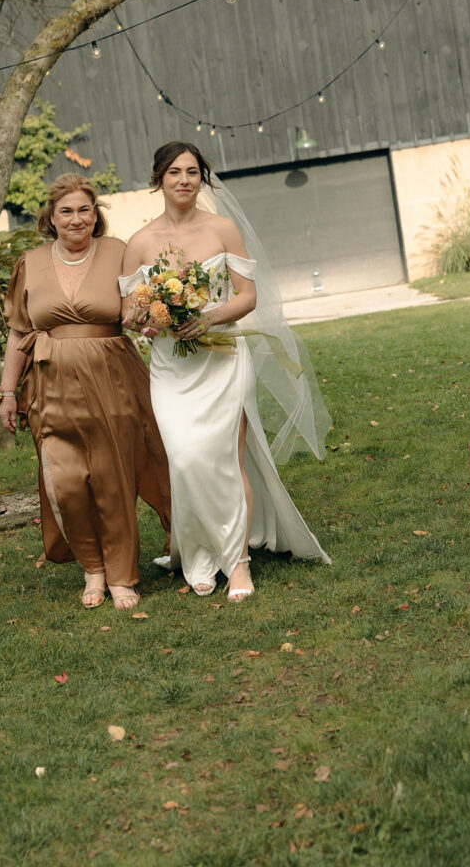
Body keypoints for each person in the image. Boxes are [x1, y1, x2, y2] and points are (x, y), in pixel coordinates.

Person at [120, 141, 330, 602]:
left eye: (193, 172)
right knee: (187, 459)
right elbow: (127, 312)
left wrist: (210, 316)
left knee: (228, 462)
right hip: (172, 372)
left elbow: (247, 296)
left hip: (224, 359)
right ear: (158, 179)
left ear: (203, 178)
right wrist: (149, 316)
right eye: (174, 172)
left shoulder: (222, 228)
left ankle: (237, 564)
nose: (184, 180)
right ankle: (196, 555)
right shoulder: (139, 242)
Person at [0, 173, 171, 610]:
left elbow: (141, 306)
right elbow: (19, 331)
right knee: (67, 481)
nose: (77, 219)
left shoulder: (119, 252)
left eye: (85, 210)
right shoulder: (30, 263)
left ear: (97, 216)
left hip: (113, 380)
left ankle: (120, 576)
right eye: (67, 211)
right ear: (50, 219)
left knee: (114, 481)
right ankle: (91, 567)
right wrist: (8, 392)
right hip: (49, 383)